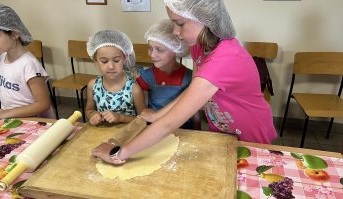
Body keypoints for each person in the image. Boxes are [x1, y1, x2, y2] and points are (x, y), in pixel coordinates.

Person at [91, 0, 277, 165]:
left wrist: (119, 153)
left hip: (250, 133)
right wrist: (159, 115)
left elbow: (169, 125)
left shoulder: (224, 59)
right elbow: (191, 92)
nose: (175, 32)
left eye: (180, 23)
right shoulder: (199, 46)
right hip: (221, 128)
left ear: (205, 19)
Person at [0, 5, 54, 119]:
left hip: (30, 120)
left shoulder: (29, 64)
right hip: (11, 119)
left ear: (15, 34)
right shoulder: (1, 57)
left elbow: (43, 104)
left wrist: (7, 113)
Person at [135, 19, 198, 129]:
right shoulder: (146, 77)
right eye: (150, 48)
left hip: (183, 131)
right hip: (154, 130)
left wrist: (198, 132)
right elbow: (143, 112)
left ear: (176, 50)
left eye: (159, 50)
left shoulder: (189, 78)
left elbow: (194, 112)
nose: (152, 55)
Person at [85, 30, 146, 125]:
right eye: (104, 61)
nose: (111, 66)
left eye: (116, 60)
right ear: (95, 60)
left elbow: (143, 119)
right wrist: (92, 114)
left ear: (125, 58)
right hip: (102, 134)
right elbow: (89, 109)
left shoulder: (134, 89)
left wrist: (120, 118)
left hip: (128, 135)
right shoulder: (93, 85)